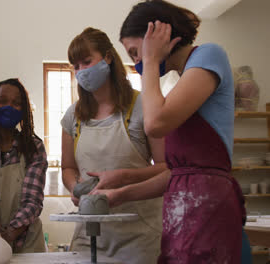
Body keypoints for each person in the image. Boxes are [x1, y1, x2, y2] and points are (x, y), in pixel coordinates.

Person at [93, 0, 251, 263]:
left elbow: (154, 125)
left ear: (157, 36)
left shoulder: (209, 55)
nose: (136, 63)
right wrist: (120, 193)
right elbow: (178, 174)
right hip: (184, 210)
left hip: (208, 209)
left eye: (135, 52)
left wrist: (151, 61)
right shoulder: (181, 83)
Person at [61, 27, 168, 263]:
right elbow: (68, 167)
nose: (81, 71)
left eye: (87, 62)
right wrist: (75, 187)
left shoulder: (142, 106)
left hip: (139, 236)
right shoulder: (73, 116)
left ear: (108, 57)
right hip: (88, 235)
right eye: (76, 67)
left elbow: (167, 167)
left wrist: (123, 177)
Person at [0, 78, 47, 253]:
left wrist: (9, 234)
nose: (9, 107)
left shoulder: (33, 148)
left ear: (24, 110)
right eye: (2, 101)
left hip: (27, 242)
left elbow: (32, 201)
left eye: (16, 103)